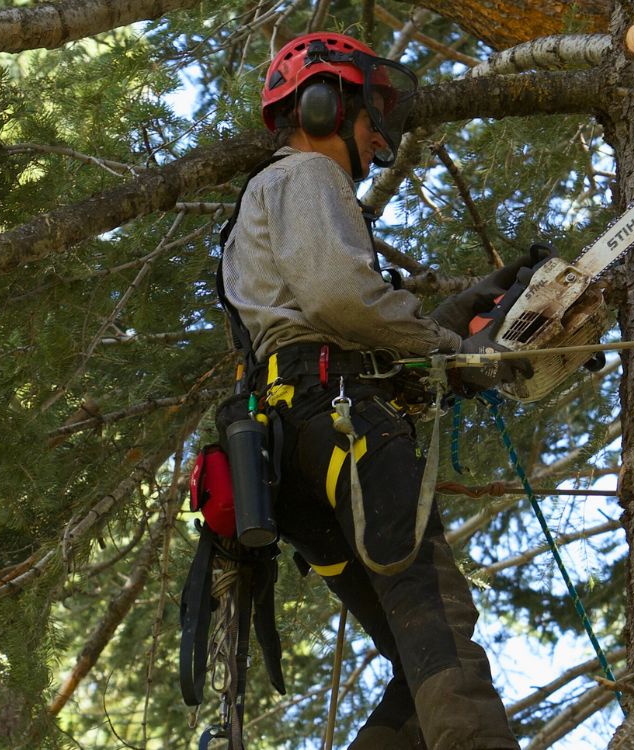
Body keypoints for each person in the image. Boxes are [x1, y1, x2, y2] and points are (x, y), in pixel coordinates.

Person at [216, 32, 537, 750]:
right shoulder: (305, 176)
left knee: (413, 655)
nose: (378, 138)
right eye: (369, 118)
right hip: (337, 420)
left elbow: (348, 338)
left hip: (291, 450)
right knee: (435, 614)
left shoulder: (264, 208)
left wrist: (466, 319)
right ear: (324, 107)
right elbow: (342, 301)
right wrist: (452, 346)